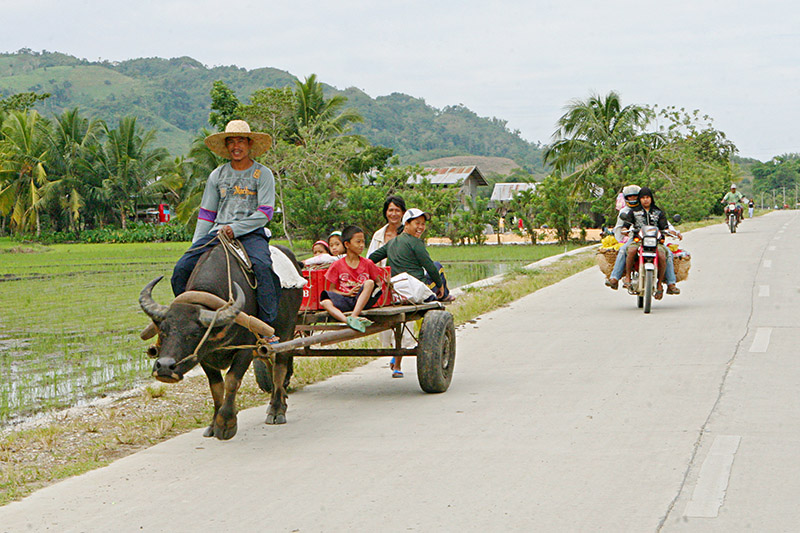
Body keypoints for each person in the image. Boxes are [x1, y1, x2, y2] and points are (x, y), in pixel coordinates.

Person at [171, 120, 280, 340]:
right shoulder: (217, 175)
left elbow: (265, 213)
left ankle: (266, 326)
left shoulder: (263, 174)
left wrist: (236, 228)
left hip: (251, 233)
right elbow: (207, 214)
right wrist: (196, 245)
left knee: (263, 267)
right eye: (231, 141)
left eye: (240, 141)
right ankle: (186, 320)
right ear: (226, 146)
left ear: (249, 144)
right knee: (181, 269)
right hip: (218, 233)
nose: (236, 146)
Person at [368, 208, 455, 378]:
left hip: (396, 289)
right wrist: (440, 285)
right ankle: (444, 295)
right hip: (414, 290)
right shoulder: (416, 243)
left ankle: (397, 361)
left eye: (422, 224)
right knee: (438, 267)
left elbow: (372, 257)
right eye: (417, 223)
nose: (420, 227)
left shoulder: (392, 243)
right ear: (406, 224)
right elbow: (429, 265)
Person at [320, 225, 385, 333]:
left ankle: (354, 315)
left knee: (369, 282)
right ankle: (347, 320)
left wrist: (369, 288)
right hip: (345, 298)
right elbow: (332, 289)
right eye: (358, 242)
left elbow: (378, 282)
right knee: (325, 302)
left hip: (363, 299)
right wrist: (348, 294)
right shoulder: (337, 265)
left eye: (363, 242)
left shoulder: (368, 263)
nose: (361, 245)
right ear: (347, 244)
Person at [623, 187, 681, 299]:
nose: (645, 200)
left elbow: (665, 227)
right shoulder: (634, 212)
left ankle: (666, 284)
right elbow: (625, 226)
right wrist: (624, 230)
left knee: (664, 255)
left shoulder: (658, 212)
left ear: (651, 198)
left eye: (648, 197)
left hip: (656, 242)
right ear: (639, 199)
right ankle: (627, 277)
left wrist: (672, 232)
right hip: (639, 241)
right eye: (643, 198)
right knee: (630, 250)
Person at [367, 195, 406, 267]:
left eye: (397, 210)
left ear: (403, 213)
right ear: (386, 212)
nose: (394, 214)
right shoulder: (378, 235)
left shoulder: (408, 234)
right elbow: (369, 261)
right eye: (391, 210)